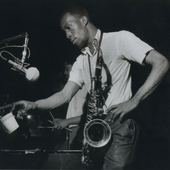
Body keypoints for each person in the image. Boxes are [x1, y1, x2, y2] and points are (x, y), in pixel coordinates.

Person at [0, 6, 169, 170]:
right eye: (64, 31)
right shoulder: (81, 60)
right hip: (97, 126)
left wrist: (135, 100)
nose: (67, 35)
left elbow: (161, 62)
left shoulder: (120, 39)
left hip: (120, 121)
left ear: (83, 20)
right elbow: (64, 95)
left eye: (69, 27)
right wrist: (34, 105)